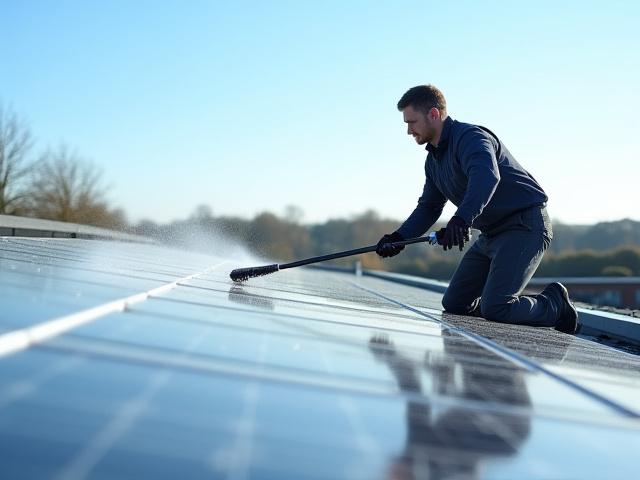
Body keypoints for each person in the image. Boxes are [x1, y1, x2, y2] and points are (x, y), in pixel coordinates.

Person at [376, 85, 578, 333]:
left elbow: (486, 176)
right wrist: (399, 238)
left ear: (434, 114)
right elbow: (429, 207)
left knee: (497, 308)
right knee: (455, 303)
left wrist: (462, 218)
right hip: (491, 234)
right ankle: (499, 302)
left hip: (524, 226)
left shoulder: (472, 138)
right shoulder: (434, 161)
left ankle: (554, 303)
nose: (409, 131)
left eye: (412, 122)